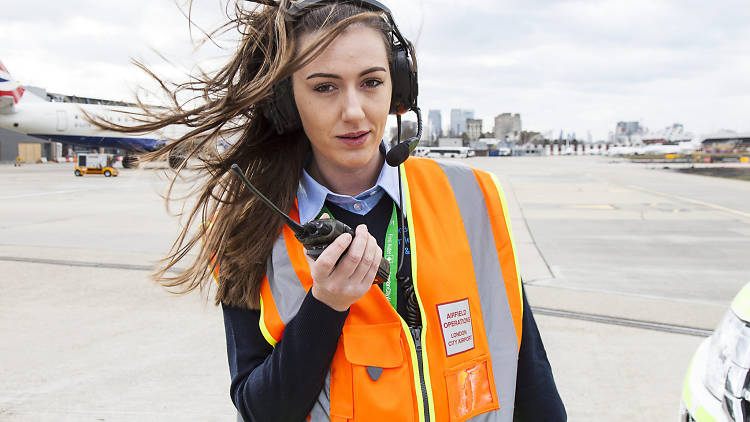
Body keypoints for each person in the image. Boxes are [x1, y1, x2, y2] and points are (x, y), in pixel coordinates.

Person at [101, 1, 566, 420]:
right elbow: (259, 409)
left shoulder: (474, 197)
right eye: (324, 87)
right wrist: (325, 308)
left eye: (371, 82)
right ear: (287, 103)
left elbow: (530, 374)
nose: (355, 112)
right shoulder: (249, 228)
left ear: (398, 87)